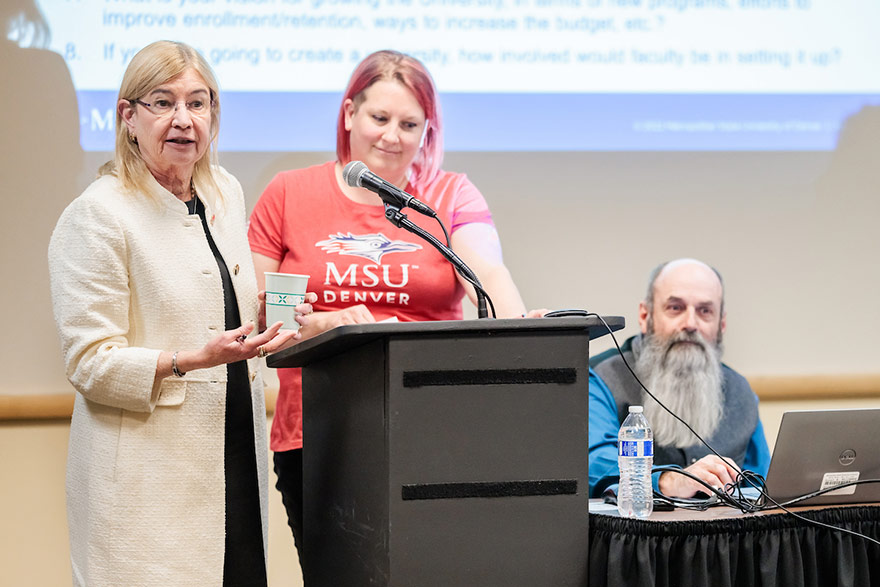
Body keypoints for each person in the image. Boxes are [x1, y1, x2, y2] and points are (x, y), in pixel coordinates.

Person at [248, 49, 539, 561]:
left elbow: (488, 275)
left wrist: (522, 332)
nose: (392, 136)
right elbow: (264, 317)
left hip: (435, 428)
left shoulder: (446, 196)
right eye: (379, 118)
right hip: (318, 433)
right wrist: (330, 323)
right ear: (348, 115)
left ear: (427, 130)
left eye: (410, 124)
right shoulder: (289, 193)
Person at [48, 41, 315, 587]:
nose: (183, 119)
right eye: (162, 102)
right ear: (128, 117)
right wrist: (191, 359)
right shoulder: (97, 216)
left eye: (198, 103)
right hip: (146, 481)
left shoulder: (224, 192)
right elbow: (89, 362)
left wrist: (268, 313)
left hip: (232, 450)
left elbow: (214, 298)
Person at [588, 258, 770, 499]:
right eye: (675, 308)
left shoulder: (740, 391)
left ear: (721, 323)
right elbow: (594, 464)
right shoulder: (600, 377)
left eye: (705, 311)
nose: (690, 324)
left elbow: (763, 485)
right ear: (645, 316)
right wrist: (666, 481)